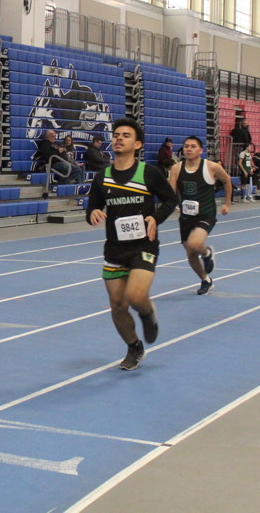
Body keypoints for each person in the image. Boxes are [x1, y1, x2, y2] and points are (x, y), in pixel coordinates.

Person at [85, 117, 177, 371]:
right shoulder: (102, 177)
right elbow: (91, 208)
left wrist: (156, 218)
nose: (119, 138)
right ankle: (134, 346)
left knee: (135, 296)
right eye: (116, 134)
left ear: (137, 144)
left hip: (143, 246)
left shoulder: (148, 173)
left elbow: (171, 199)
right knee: (117, 306)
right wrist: (93, 213)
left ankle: (147, 313)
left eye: (126, 135)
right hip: (115, 249)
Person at [167, 136, 232, 296]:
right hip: (186, 216)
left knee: (194, 243)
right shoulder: (176, 168)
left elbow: (227, 181)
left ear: (201, 150)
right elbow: (170, 191)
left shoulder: (211, 167)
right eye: (186, 146)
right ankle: (205, 280)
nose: (189, 149)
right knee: (190, 253)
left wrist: (227, 203)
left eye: (193, 146)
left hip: (206, 213)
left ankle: (207, 252)